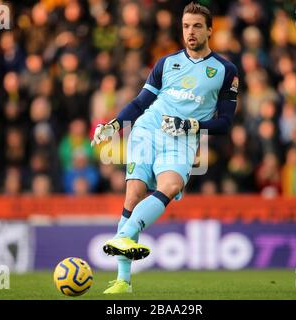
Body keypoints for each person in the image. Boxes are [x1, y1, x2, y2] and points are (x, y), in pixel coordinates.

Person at [91, 2, 239, 294]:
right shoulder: (165, 63)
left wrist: (192, 126)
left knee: (170, 186)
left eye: (197, 26)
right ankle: (123, 281)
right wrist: (114, 125)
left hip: (183, 139)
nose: (190, 32)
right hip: (148, 130)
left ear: (210, 30)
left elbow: (224, 123)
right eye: (186, 26)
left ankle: (127, 234)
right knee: (133, 193)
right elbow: (140, 102)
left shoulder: (225, 70)